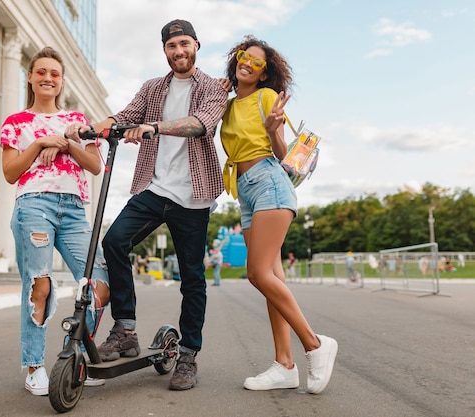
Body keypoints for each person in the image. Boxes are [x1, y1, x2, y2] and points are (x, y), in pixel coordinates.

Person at [72, 19, 228, 391]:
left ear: (196, 46)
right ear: (165, 51)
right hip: (154, 188)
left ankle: (188, 354)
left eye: (185, 44)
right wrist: (90, 127)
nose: (179, 51)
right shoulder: (152, 88)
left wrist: (154, 127)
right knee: (114, 242)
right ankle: (125, 329)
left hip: (194, 195)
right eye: (172, 46)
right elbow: (125, 116)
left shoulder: (212, 89)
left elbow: (201, 124)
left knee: (191, 277)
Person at [219, 35, 338, 394]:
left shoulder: (266, 98)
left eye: (257, 63)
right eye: (244, 57)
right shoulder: (225, 105)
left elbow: (283, 154)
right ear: (235, 59)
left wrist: (274, 131)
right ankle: (284, 364)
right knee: (272, 278)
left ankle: (315, 344)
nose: (248, 64)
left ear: (264, 72)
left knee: (257, 273)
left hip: (269, 182)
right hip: (246, 193)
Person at [0, 46, 110, 395]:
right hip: (34, 206)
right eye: (41, 72)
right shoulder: (16, 123)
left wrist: (64, 143)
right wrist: (38, 144)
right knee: (40, 286)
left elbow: (94, 166)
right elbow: (10, 172)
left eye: (55, 74)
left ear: (61, 81)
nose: (48, 78)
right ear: (30, 77)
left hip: (75, 208)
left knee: (100, 285)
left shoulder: (77, 123)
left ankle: (71, 356)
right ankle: (34, 366)